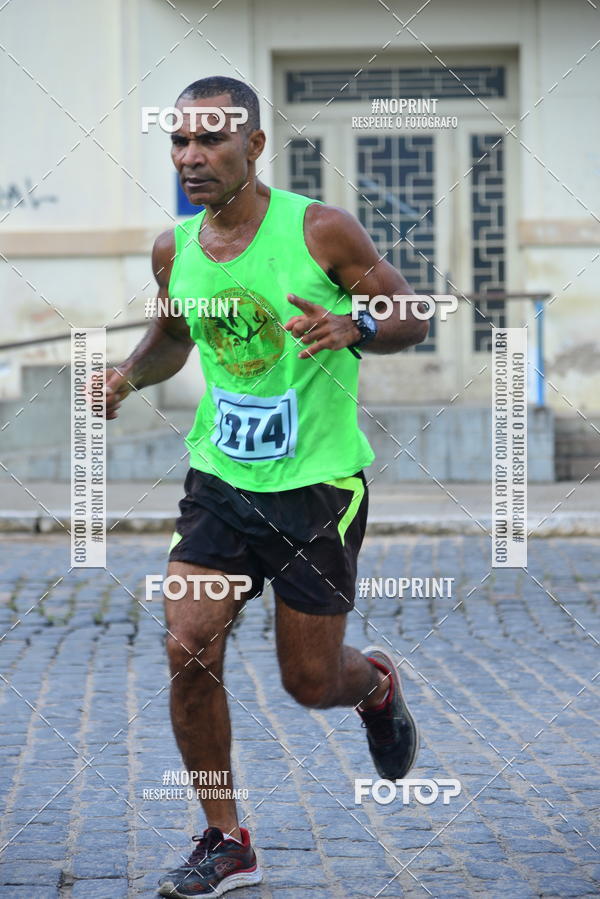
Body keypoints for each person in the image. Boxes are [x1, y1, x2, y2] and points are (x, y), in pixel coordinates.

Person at [105, 75, 427, 898]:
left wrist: (355, 325)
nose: (191, 156)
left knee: (310, 681)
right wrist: (127, 377)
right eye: (180, 141)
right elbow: (173, 335)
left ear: (253, 145)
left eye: (210, 139)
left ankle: (375, 684)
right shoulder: (174, 248)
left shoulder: (320, 230)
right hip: (221, 481)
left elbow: (413, 313)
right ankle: (226, 839)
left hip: (318, 490)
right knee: (187, 644)